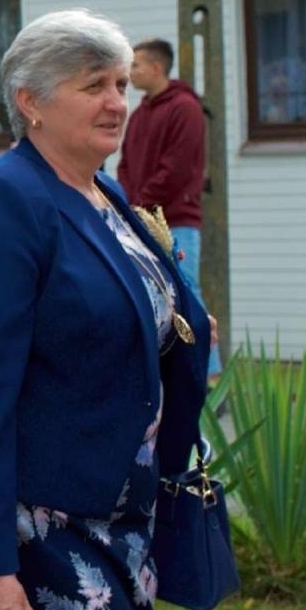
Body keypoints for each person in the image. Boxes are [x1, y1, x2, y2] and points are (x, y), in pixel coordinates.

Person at [0, 9, 213, 610]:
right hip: (46, 523)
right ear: (31, 101)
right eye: (94, 86)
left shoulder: (102, 191)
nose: (117, 102)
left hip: (119, 513)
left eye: (120, 84)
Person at [117, 38, 215, 379]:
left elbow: (176, 168)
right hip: (139, 218)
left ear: (157, 68)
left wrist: (140, 201)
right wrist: (129, 203)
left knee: (187, 292)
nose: (130, 73)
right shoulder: (141, 112)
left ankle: (206, 373)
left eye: (136, 66)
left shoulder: (185, 108)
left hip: (176, 220)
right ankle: (167, 371)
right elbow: (125, 162)